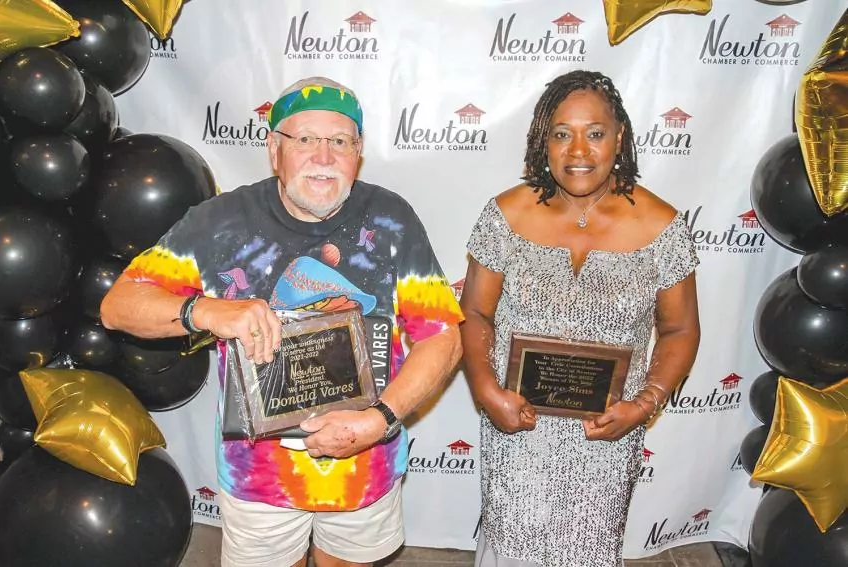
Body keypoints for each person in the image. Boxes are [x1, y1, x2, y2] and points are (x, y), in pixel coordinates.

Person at [100, 76, 463, 567]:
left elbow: (443, 338)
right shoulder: (219, 221)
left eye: (340, 141)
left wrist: (379, 419)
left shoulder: (391, 218)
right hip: (260, 476)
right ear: (274, 149)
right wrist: (206, 310)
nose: (324, 156)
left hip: (364, 462)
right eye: (305, 139)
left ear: (358, 152)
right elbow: (118, 306)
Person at [459, 70, 701, 567]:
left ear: (620, 137)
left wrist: (644, 404)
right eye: (561, 134)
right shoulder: (505, 215)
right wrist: (486, 390)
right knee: (511, 549)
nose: (578, 151)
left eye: (594, 133)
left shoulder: (662, 227)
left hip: (607, 435)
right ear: (542, 141)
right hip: (518, 430)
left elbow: (680, 329)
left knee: (588, 549)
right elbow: (475, 312)